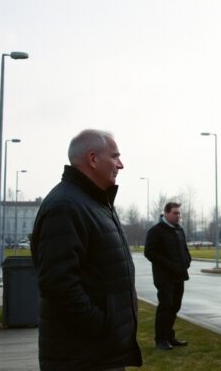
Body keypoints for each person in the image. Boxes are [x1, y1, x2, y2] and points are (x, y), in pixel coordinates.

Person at [31, 129, 142, 370]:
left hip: (101, 352)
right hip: (83, 355)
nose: (120, 165)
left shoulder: (94, 202)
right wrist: (101, 325)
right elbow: (58, 284)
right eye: (115, 156)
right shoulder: (66, 206)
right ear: (93, 159)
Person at [144, 202, 192, 350]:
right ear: (166, 213)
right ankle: (161, 340)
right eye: (175, 213)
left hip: (179, 276)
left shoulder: (179, 230)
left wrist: (187, 260)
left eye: (179, 213)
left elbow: (184, 248)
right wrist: (168, 264)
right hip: (164, 278)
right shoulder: (156, 231)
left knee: (175, 306)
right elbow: (149, 252)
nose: (178, 216)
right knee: (166, 306)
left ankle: (170, 337)